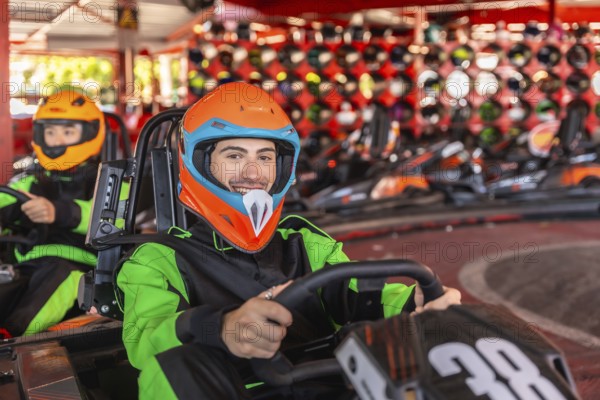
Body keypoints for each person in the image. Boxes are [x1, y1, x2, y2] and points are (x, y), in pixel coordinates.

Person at [117, 82, 461, 399]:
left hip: (326, 385)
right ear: (199, 164)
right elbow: (145, 339)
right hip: (238, 390)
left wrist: (416, 303)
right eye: (235, 156)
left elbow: (358, 290)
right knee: (173, 367)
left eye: (264, 158)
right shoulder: (158, 258)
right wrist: (221, 329)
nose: (253, 173)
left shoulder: (302, 241)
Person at [0, 89, 105, 337]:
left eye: (67, 132)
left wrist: (58, 211)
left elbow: (111, 218)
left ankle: (11, 339)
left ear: (89, 133)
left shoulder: (106, 179)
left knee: (60, 275)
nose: (57, 141)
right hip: (25, 263)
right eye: (50, 132)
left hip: (80, 266)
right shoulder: (28, 180)